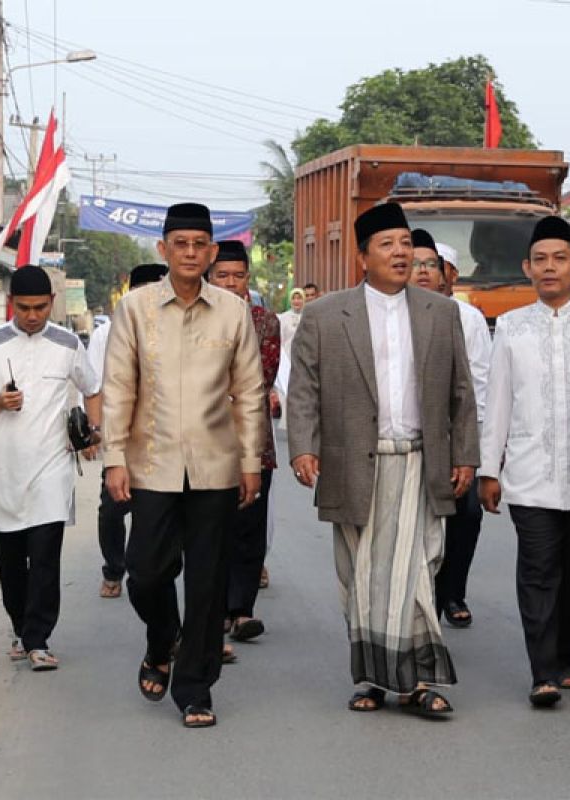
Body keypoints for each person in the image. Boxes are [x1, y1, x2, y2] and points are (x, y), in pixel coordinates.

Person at [287, 202, 479, 717]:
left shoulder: (442, 312)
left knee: (418, 569)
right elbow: (303, 388)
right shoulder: (325, 315)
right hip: (355, 464)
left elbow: (462, 391)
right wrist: (303, 445)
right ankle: (374, 677)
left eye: (406, 244)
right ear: (363, 257)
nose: (402, 254)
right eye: (388, 245)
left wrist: (466, 454)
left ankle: (416, 681)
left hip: (422, 463)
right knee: (363, 573)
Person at [101, 203, 266, 729]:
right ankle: (161, 637)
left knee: (208, 582)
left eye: (200, 245)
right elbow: (119, 387)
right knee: (145, 574)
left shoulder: (233, 311)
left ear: (212, 251)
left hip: (217, 466)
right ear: (163, 250)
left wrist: (251, 461)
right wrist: (113, 459)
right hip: (152, 463)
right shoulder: (135, 309)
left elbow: (249, 392)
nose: (191, 253)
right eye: (181, 244)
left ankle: (196, 687)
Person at [480, 216, 570, 707]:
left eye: (560, 258)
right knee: (539, 569)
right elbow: (497, 400)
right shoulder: (513, 326)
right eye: (540, 260)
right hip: (529, 470)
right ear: (527, 267)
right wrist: (488, 468)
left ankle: (562, 656)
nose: (549, 268)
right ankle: (542, 672)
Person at [0, 265, 99, 672]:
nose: (33, 315)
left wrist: (93, 431)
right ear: (11, 305)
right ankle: (21, 628)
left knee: (44, 559)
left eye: (40, 307)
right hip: (4, 470)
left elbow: (93, 389)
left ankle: (38, 638)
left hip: (52, 468)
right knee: (11, 561)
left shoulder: (69, 344)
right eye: (24, 308)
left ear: (52, 304)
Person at [409, 229, 492, 628]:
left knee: (467, 515)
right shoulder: (394, 314)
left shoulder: (468, 318)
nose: (423, 273)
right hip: (408, 441)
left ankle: (452, 591)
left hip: (456, 438)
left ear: (446, 276)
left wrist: (476, 451)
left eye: (431, 266)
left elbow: (478, 384)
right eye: (416, 265)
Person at [207, 240, 280, 648]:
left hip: (254, 438)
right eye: (223, 276)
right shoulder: (195, 317)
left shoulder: (266, 322)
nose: (231, 283)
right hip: (205, 439)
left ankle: (243, 609)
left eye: (238, 276)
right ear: (210, 277)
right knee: (212, 528)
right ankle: (213, 609)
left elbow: (260, 380)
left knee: (249, 527)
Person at [86, 263, 168, 598]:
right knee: (112, 508)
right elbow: (94, 383)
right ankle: (114, 569)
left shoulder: (177, 327)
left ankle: (150, 570)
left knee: (159, 511)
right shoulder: (107, 333)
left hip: (164, 437)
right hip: (121, 434)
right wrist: (99, 432)